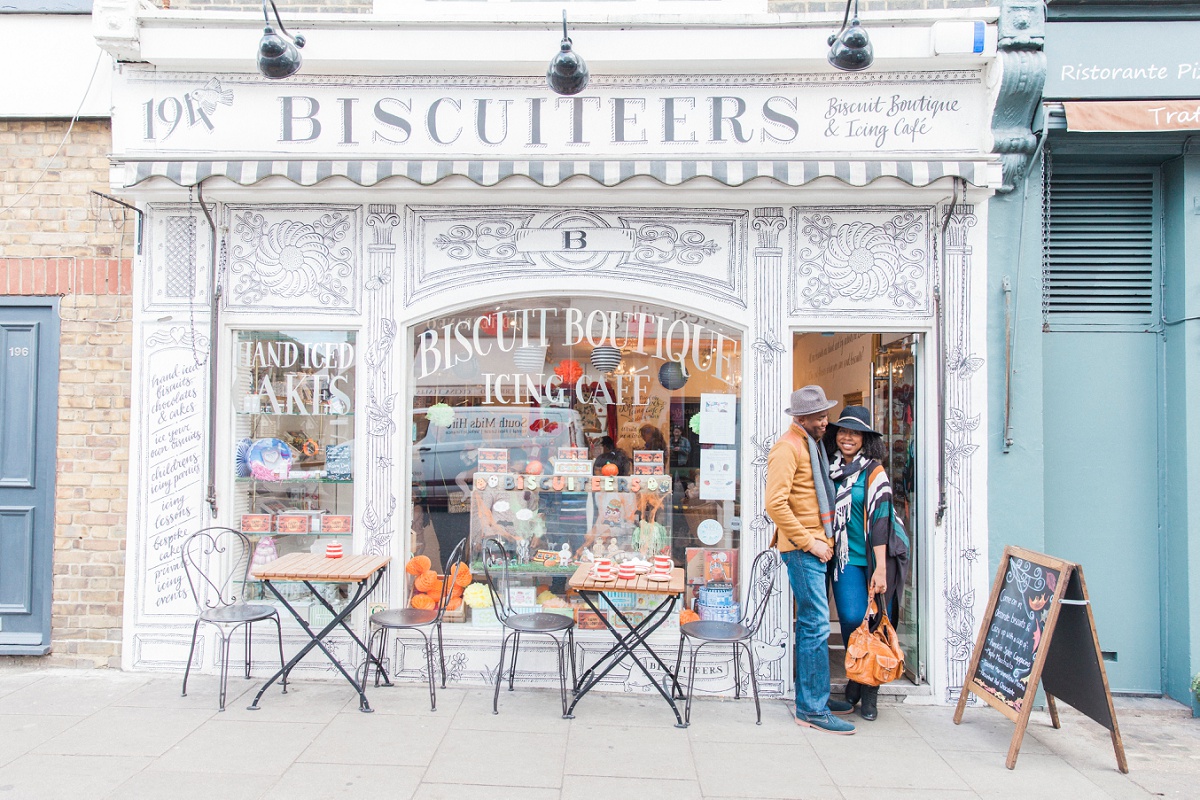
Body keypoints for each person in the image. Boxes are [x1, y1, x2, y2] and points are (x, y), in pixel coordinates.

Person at [765, 386, 856, 735]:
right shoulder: (788, 448)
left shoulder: (811, 445)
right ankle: (812, 709)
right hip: (804, 549)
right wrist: (810, 543)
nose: (825, 421)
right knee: (816, 625)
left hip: (816, 545)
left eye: (825, 414)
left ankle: (812, 695)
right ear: (801, 418)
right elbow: (775, 504)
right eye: (819, 416)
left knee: (811, 625)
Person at [826, 405, 908, 722]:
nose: (848, 437)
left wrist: (881, 569)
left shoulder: (874, 472)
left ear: (865, 439)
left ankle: (868, 690)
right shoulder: (830, 468)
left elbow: (881, 521)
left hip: (875, 558)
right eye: (844, 431)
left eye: (855, 433)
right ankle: (859, 675)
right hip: (845, 558)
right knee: (850, 617)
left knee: (874, 622)